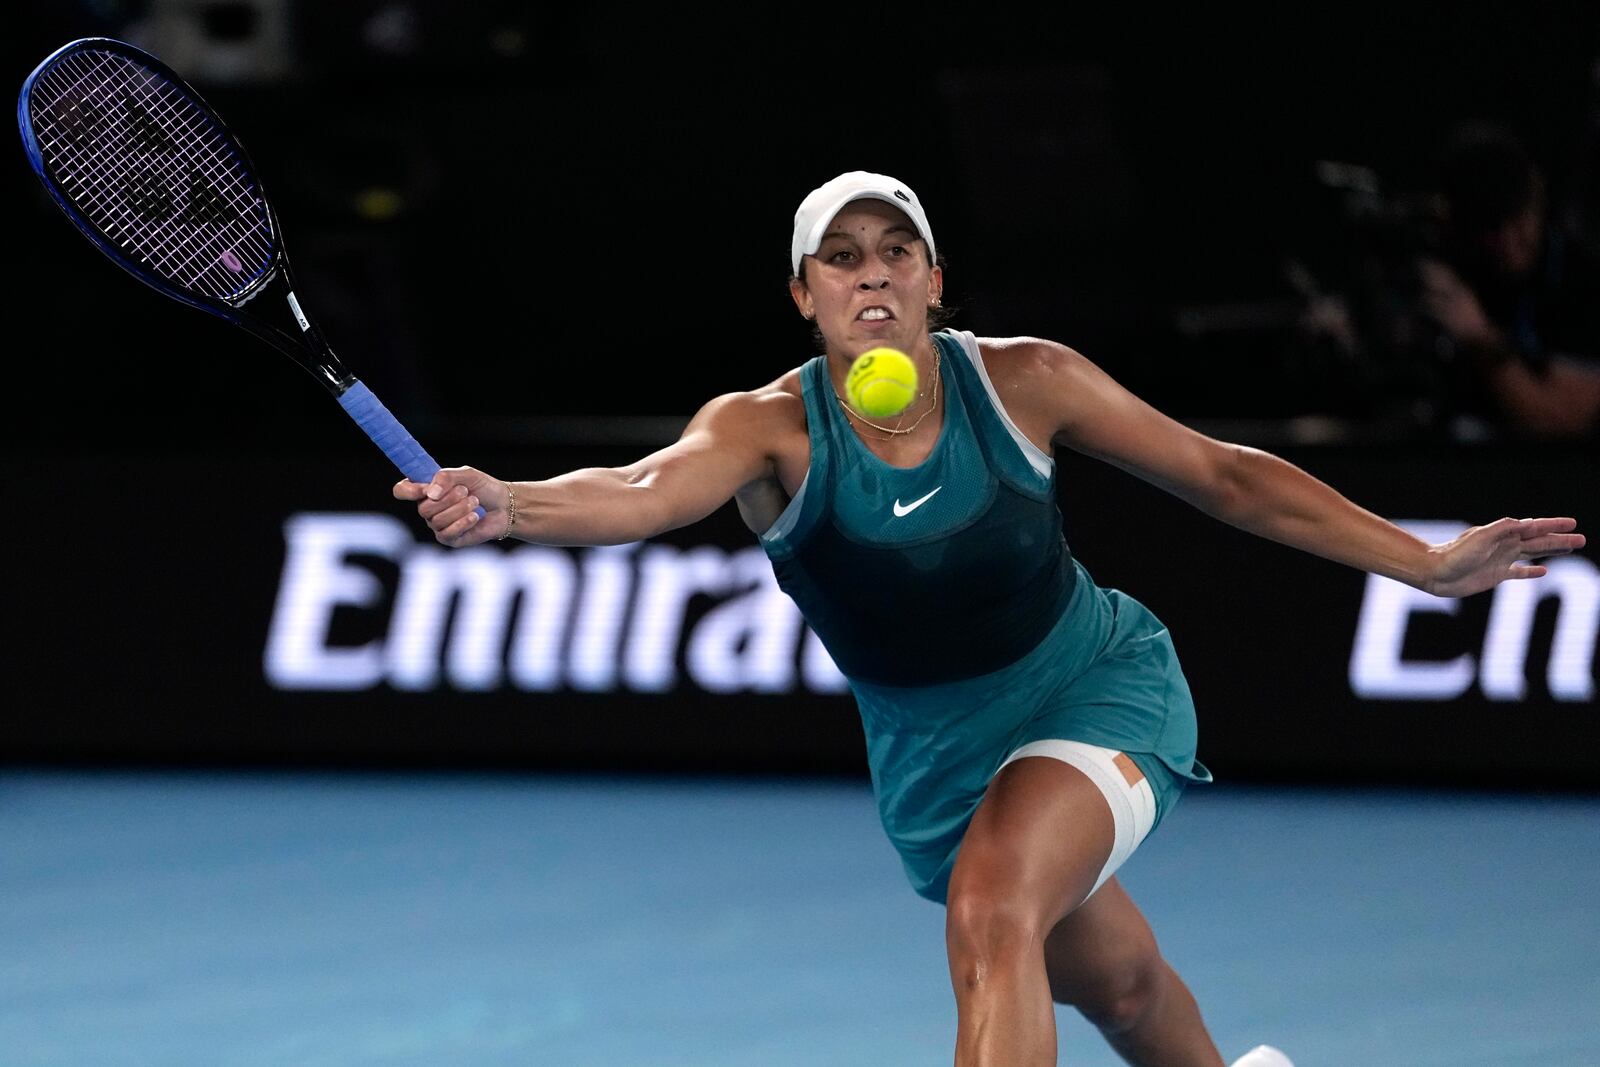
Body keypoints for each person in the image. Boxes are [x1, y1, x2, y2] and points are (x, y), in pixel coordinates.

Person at [394, 171, 1584, 1067]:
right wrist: (510, 503)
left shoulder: (1022, 380)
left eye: (895, 251)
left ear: (933, 278)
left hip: (1095, 686)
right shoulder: (764, 431)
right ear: (804, 295)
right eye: (842, 257)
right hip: (934, 760)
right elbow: (642, 492)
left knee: (993, 905)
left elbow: (1223, 474)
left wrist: (1420, 564)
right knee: (1112, 983)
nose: (872, 274)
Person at [1417, 120, 1600, 439]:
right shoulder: (1446, 274)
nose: (1510, 241)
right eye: (1491, 227)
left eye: (1517, 218)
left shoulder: (1583, 283)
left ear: (1536, 195)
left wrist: (1482, 340)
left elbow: (1564, 421)